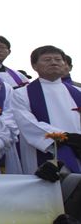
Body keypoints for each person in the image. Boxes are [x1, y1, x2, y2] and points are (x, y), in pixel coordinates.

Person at [10, 45, 81, 174]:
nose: (54, 62)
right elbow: (27, 123)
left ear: (65, 64)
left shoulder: (77, 92)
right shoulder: (22, 93)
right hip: (43, 152)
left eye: (58, 59)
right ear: (34, 66)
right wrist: (66, 138)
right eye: (47, 59)